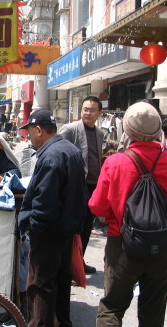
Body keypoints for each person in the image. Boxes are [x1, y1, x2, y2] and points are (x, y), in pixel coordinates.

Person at [88, 102, 167, 327]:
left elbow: (97, 206)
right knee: (153, 311)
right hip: (163, 245)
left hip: (122, 244)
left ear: (127, 130)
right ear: (159, 130)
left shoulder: (115, 162)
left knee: (112, 308)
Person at [17, 109, 86, 327]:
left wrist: (33, 228)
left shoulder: (51, 156)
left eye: (29, 132)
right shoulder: (70, 150)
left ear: (38, 130)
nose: (28, 137)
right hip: (66, 231)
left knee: (40, 287)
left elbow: (45, 204)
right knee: (61, 284)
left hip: (49, 234)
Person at [58, 96, 104, 274]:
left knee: (86, 228)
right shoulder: (70, 130)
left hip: (93, 189)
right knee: (72, 228)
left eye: (92, 110)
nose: (87, 113)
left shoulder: (99, 134)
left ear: (99, 113)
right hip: (75, 188)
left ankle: (79, 263)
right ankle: (66, 266)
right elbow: (57, 153)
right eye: (85, 109)